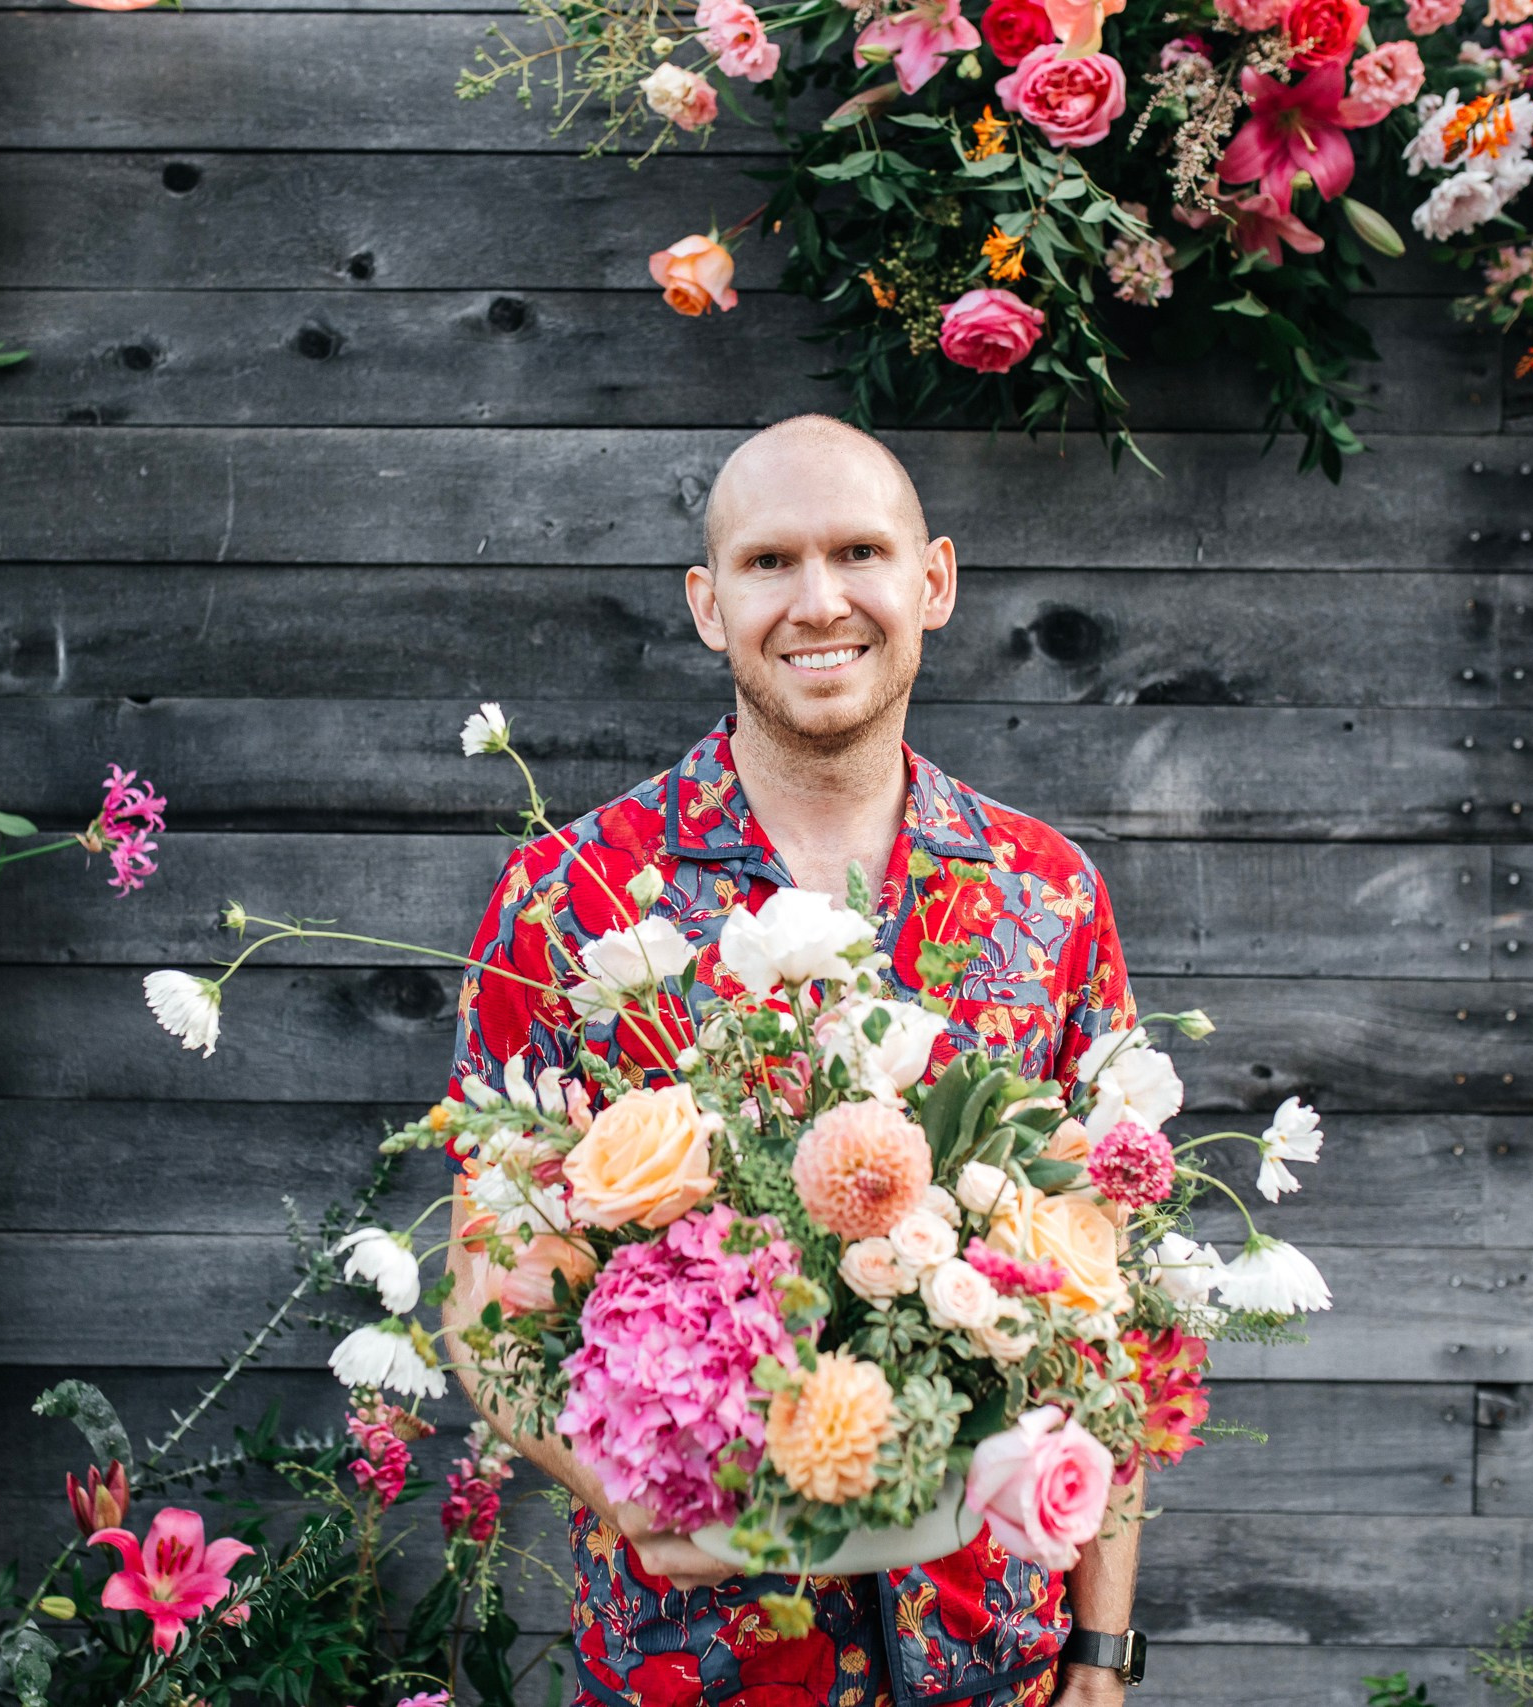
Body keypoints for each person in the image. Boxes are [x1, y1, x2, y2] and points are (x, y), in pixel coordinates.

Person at [442, 416, 1147, 1707]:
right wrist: (632, 1493)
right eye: (770, 563)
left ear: (932, 580)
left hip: (1001, 1667)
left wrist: (1102, 1651)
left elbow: (1112, 1304)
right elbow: (489, 1310)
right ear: (710, 606)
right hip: (701, 1666)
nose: (819, 603)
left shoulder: (1050, 900)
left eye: (859, 553)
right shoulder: (572, 902)